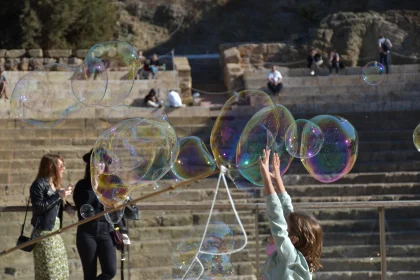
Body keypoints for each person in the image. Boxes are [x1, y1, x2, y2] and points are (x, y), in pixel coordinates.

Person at [259, 148, 323, 280]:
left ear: (292, 240)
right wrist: (277, 180)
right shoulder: (292, 255)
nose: (281, 222)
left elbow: (276, 217)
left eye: (284, 224)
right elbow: (287, 210)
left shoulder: (289, 256)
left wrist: (266, 178)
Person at [73, 149, 129, 280]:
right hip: (87, 231)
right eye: (96, 163)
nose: (99, 166)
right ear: (90, 165)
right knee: (89, 274)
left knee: (110, 271)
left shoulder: (112, 183)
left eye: (102, 163)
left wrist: (123, 230)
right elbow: (83, 208)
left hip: (106, 230)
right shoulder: (82, 185)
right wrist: (94, 187)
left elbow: (118, 208)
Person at [30, 154, 73, 280]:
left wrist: (67, 205)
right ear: (50, 167)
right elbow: (39, 206)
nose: (63, 168)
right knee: (49, 274)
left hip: (55, 234)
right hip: (44, 235)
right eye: (60, 165)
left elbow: (56, 202)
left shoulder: (54, 184)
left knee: (62, 272)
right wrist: (58, 196)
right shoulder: (38, 184)